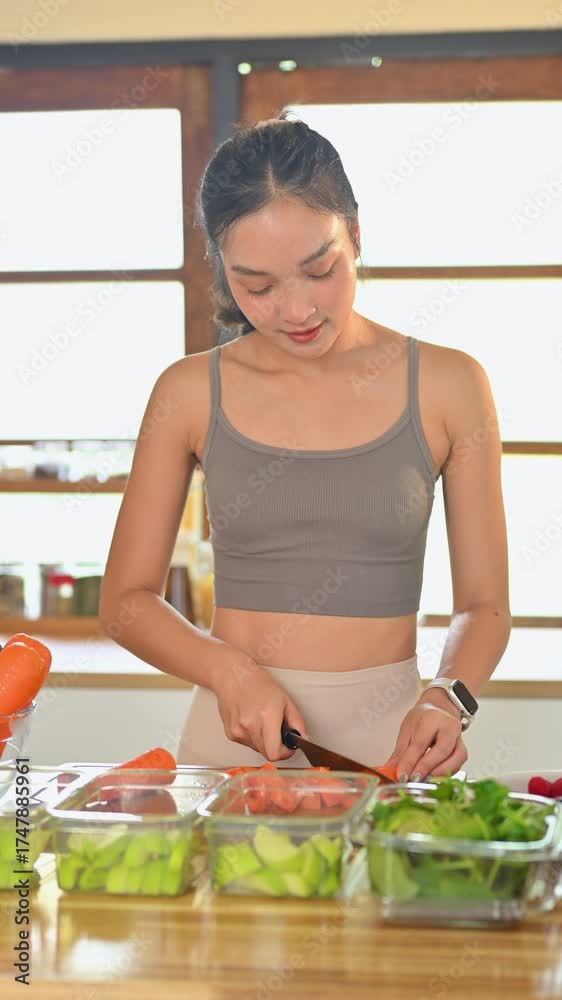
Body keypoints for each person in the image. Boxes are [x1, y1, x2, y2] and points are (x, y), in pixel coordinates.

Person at [99, 109, 512, 780]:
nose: (295, 310)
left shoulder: (451, 384)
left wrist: (450, 696)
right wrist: (229, 670)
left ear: (354, 235)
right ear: (223, 270)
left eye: (319, 270)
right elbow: (124, 603)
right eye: (256, 286)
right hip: (233, 747)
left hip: (396, 755)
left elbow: (484, 606)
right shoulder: (187, 392)